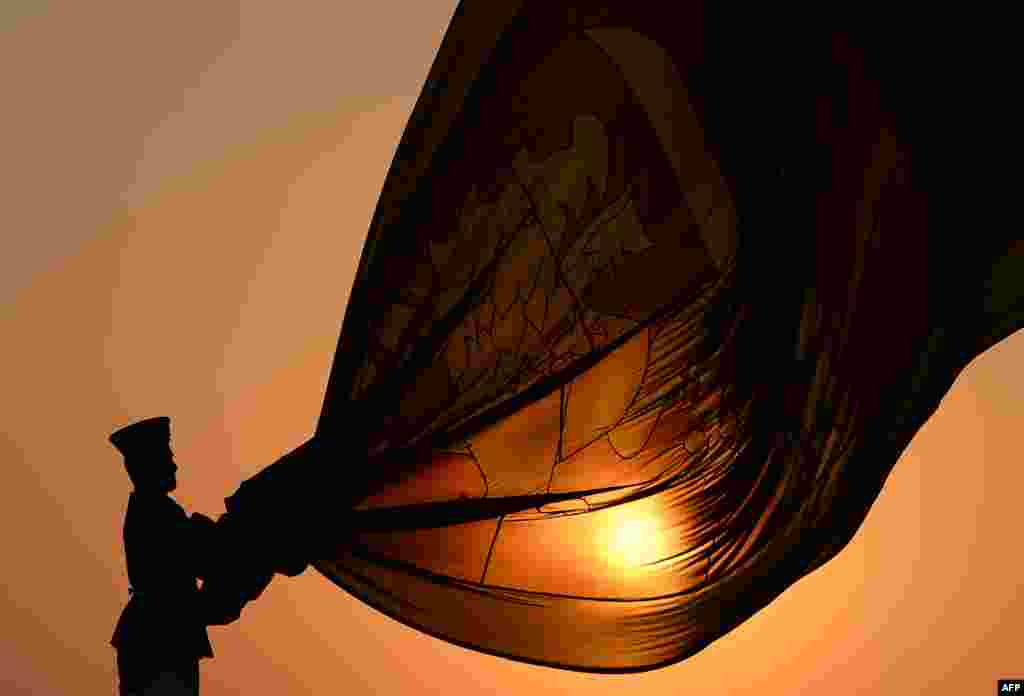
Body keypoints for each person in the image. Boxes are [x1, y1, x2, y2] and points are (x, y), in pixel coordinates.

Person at [109, 417, 218, 696]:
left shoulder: (154, 511)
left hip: (155, 631)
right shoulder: (159, 514)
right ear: (149, 465)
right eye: (167, 457)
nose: (174, 465)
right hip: (163, 635)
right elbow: (206, 560)